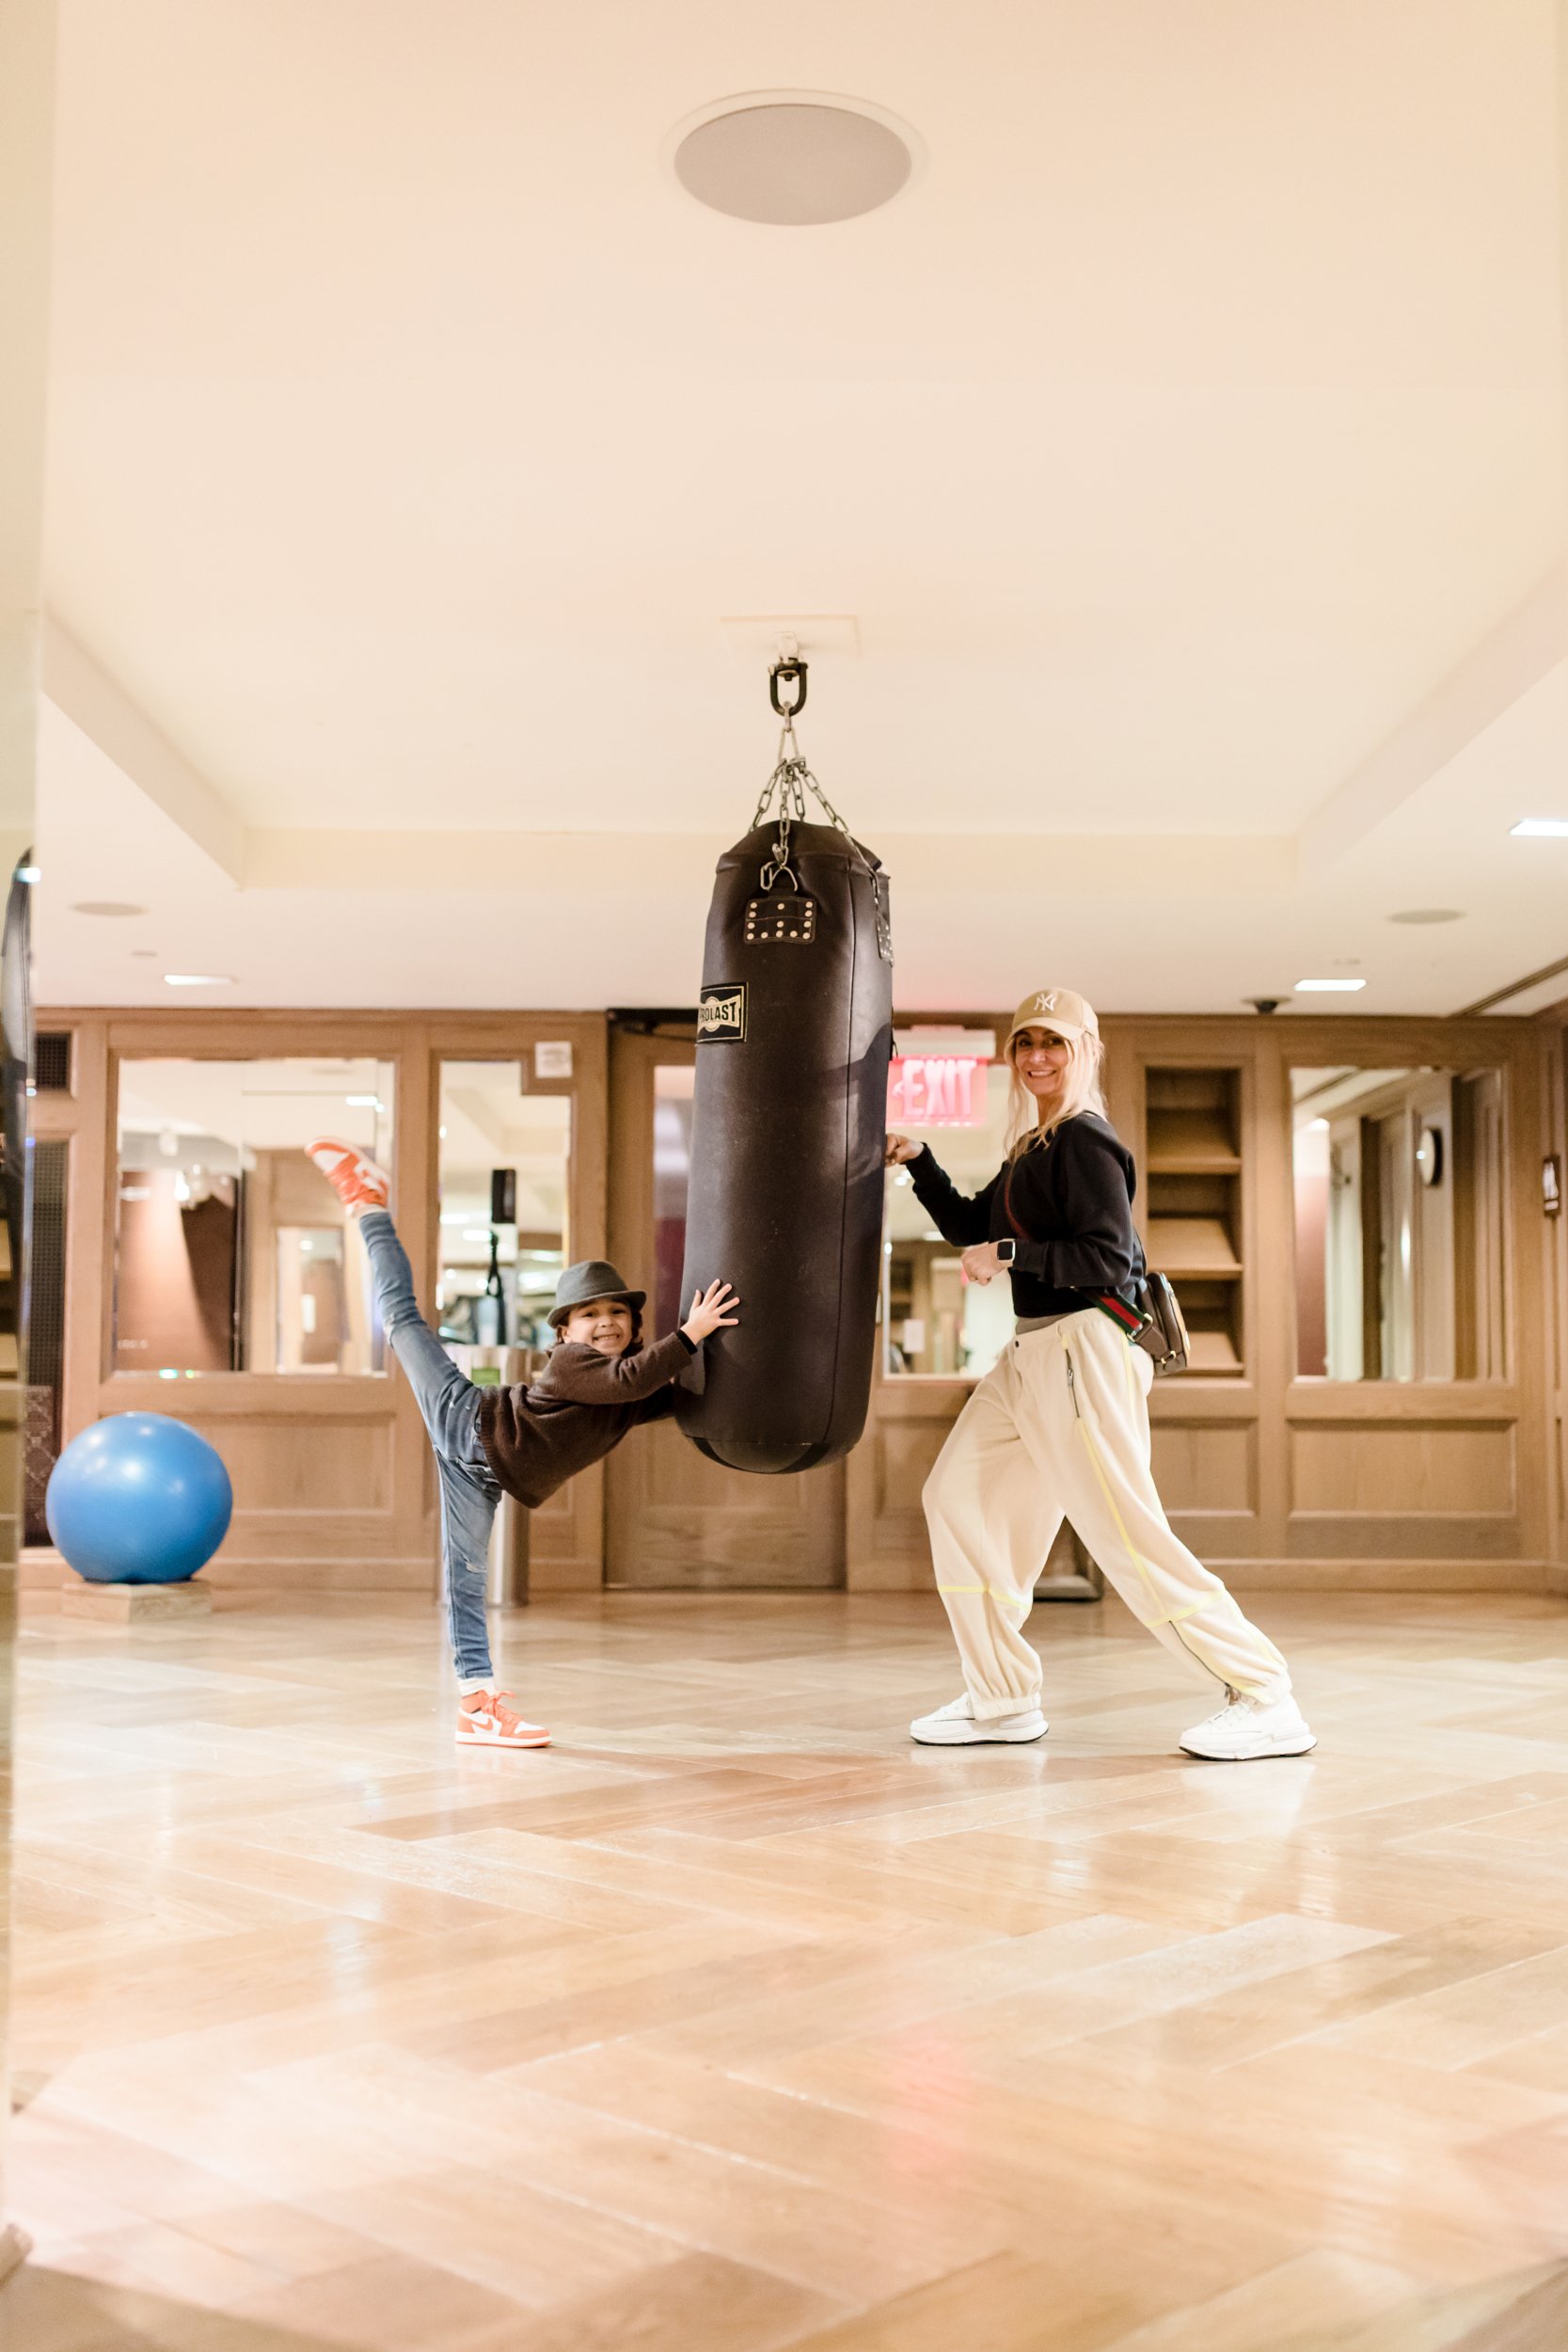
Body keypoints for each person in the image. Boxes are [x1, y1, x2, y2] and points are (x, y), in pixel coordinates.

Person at [888, 988, 1315, 1762]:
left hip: (1084, 1349)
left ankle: (1263, 1693)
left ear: (1085, 1051)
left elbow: (1106, 1260)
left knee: (1123, 1532)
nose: (1036, 1058)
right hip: (1029, 1354)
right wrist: (921, 1161)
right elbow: (967, 1226)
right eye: (1024, 1044)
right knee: (954, 1495)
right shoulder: (1033, 1146)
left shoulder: (1085, 1141)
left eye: (1053, 1043)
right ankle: (1001, 1696)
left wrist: (1009, 1255)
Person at [306, 1138, 737, 1750]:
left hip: (484, 1474)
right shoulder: (571, 1366)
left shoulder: (622, 1391)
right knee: (402, 1318)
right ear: (563, 1332)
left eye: (617, 1312)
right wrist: (691, 1333)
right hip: (467, 1420)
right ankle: (368, 1203)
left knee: (464, 1582)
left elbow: (670, 1396)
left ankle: (475, 1706)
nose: (606, 1321)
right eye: (588, 1315)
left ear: (635, 1326)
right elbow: (636, 1377)